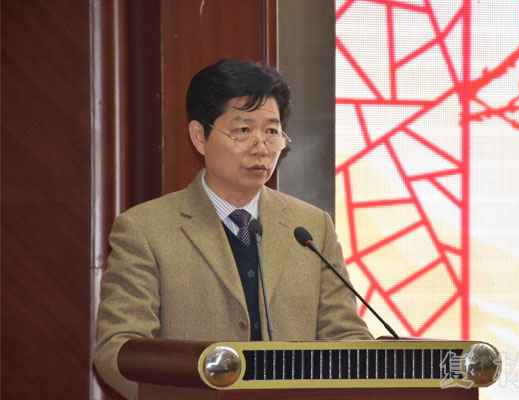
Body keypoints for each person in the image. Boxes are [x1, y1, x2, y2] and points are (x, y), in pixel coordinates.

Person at [93, 59, 372, 399]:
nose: (260, 147)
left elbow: (346, 338)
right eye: (243, 130)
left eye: (272, 131)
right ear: (200, 136)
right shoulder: (145, 229)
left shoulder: (311, 227)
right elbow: (118, 348)